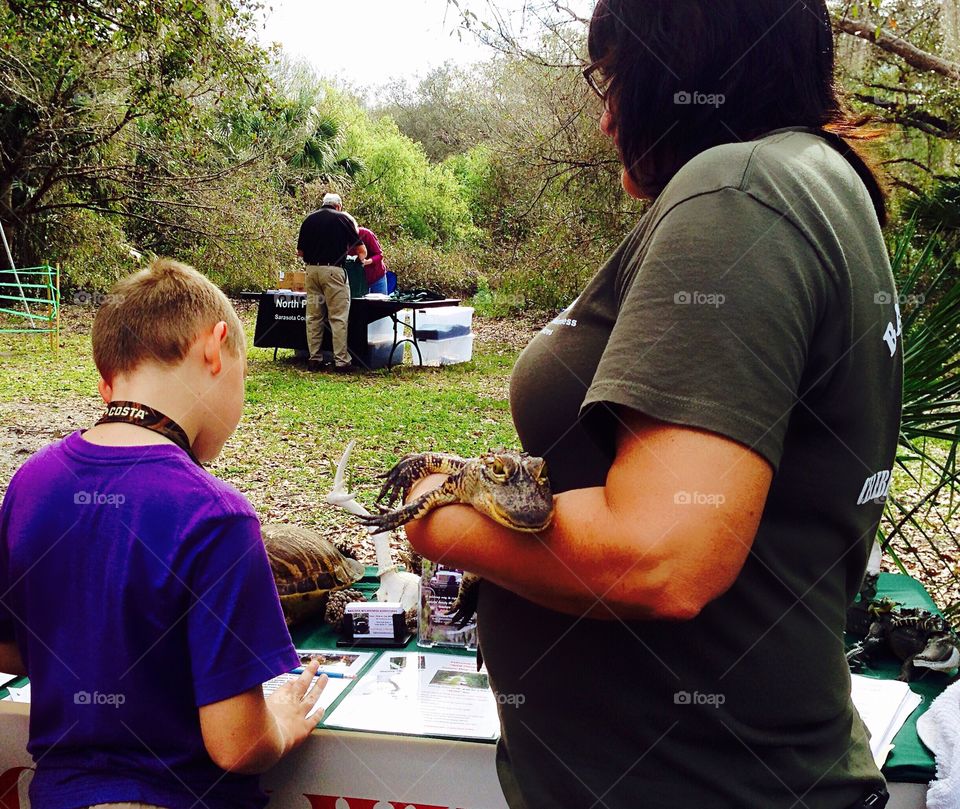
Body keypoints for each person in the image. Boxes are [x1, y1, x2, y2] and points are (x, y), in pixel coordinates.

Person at [404, 2, 901, 808]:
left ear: (683, 68)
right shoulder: (814, 179)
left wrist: (438, 516)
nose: (606, 120)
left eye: (614, 80)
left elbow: (662, 553)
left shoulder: (739, 191)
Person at [0, 258, 327, 809]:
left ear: (110, 376)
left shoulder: (30, 482)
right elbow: (237, 745)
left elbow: (11, 645)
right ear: (214, 348)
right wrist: (281, 722)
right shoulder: (217, 515)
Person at [297, 192, 361, 372]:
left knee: (313, 317)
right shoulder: (343, 218)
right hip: (333, 272)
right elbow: (360, 248)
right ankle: (341, 361)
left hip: (311, 272)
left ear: (323, 203)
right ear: (338, 206)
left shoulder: (308, 219)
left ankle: (314, 359)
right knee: (338, 317)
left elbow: (300, 252)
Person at [351, 226, 388, 294]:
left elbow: (379, 255)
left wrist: (366, 262)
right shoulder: (340, 238)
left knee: (381, 300)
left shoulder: (365, 233)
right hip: (357, 280)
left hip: (376, 276)